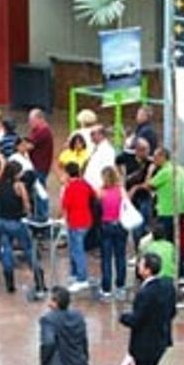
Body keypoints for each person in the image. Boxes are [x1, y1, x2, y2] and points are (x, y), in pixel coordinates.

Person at [120, 253, 179, 365]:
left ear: (147, 270)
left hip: (145, 344)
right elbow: (172, 312)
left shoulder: (145, 293)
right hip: (161, 340)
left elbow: (137, 319)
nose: (138, 268)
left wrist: (124, 317)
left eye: (141, 265)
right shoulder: (167, 286)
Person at [0, 161, 45, 293]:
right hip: (16, 221)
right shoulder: (19, 186)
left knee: (6, 249)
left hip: (1, 221)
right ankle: (39, 281)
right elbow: (27, 205)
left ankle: (9, 283)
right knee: (28, 249)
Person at [61, 162, 96, 292]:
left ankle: (82, 278)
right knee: (76, 248)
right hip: (86, 220)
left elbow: (65, 205)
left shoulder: (70, 188)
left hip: (75, 222)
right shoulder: (85, 184)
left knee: (77, 250)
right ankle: (75, 274)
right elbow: (93, 195)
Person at [144, 148, 184, 241]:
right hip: (180, 210)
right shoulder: (180, 169)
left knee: (164, 240)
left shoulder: (165, 171)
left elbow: (148, 185)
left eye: (155, 157)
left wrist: (150, 171)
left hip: (166, 210)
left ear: (162, 157)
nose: (153, 160)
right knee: (175, 239)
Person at [98, 166, 128, 300]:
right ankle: (120, 286)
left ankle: (106, 289)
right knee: (120, 256)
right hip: (120, 225)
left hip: (106, 225)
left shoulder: (101, 192)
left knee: (106, 258)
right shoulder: (121, 191)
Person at [120, 139, 153, 246]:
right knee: (135, 226)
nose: (146, 152)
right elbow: (117, 162)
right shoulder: (128, 159)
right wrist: (122, 176)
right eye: (143, 150)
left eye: (147, 149)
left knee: (145, 225)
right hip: (131, 199)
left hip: (145, 197)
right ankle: (137, 249)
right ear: (137, 151)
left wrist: (136, 187)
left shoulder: (150, 163)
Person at [27, 109, 54, 219]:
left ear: (39, 119)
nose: (29, 123)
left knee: (40, 193)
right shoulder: (37, 130)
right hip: (38, 166)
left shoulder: (42, 132)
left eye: (31, 120)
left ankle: (42, 217)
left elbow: (29, 145)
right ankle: (38, 214)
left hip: (40, 167)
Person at [84, 125, 116, 191]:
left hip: (98, 188)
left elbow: (108, 170)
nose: (91, 137)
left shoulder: (108, 150)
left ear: (101, 135)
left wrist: (102, 188)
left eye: (93, 134)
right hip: (90, 187)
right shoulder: (94, 148)